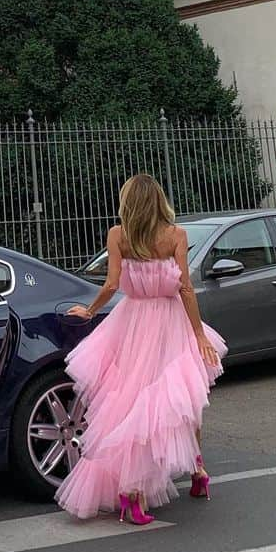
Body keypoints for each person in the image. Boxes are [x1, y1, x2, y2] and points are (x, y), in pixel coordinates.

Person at [56, 173, 227, 525]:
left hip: (132, 322)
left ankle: (137, 493)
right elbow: (186, 289)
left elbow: (112, 283)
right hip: (170, 321)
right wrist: (198, 335)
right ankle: (191, 473)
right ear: (159, 200)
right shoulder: (175, 235)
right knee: (179, 399)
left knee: (133, 400)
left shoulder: (118, 235)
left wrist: (89, 310)